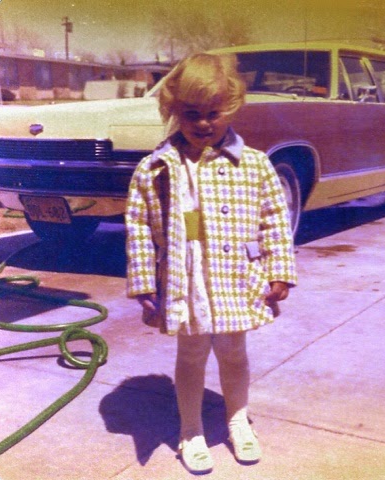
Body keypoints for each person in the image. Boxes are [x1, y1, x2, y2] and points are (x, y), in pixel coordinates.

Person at [125, 53, 297, 474]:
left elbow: (274, 218)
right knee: (192, 353)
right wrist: (144, 281)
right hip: (185, 279)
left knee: (234, 352)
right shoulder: (155, 168)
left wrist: (279, 270)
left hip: (234, 276)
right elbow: (139, 227)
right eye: (192, 114)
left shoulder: (253, 164)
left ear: (231, 109)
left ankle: (238, 421)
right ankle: (191, 430)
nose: (203, 123)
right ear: (174, 111)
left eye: (213, 113)